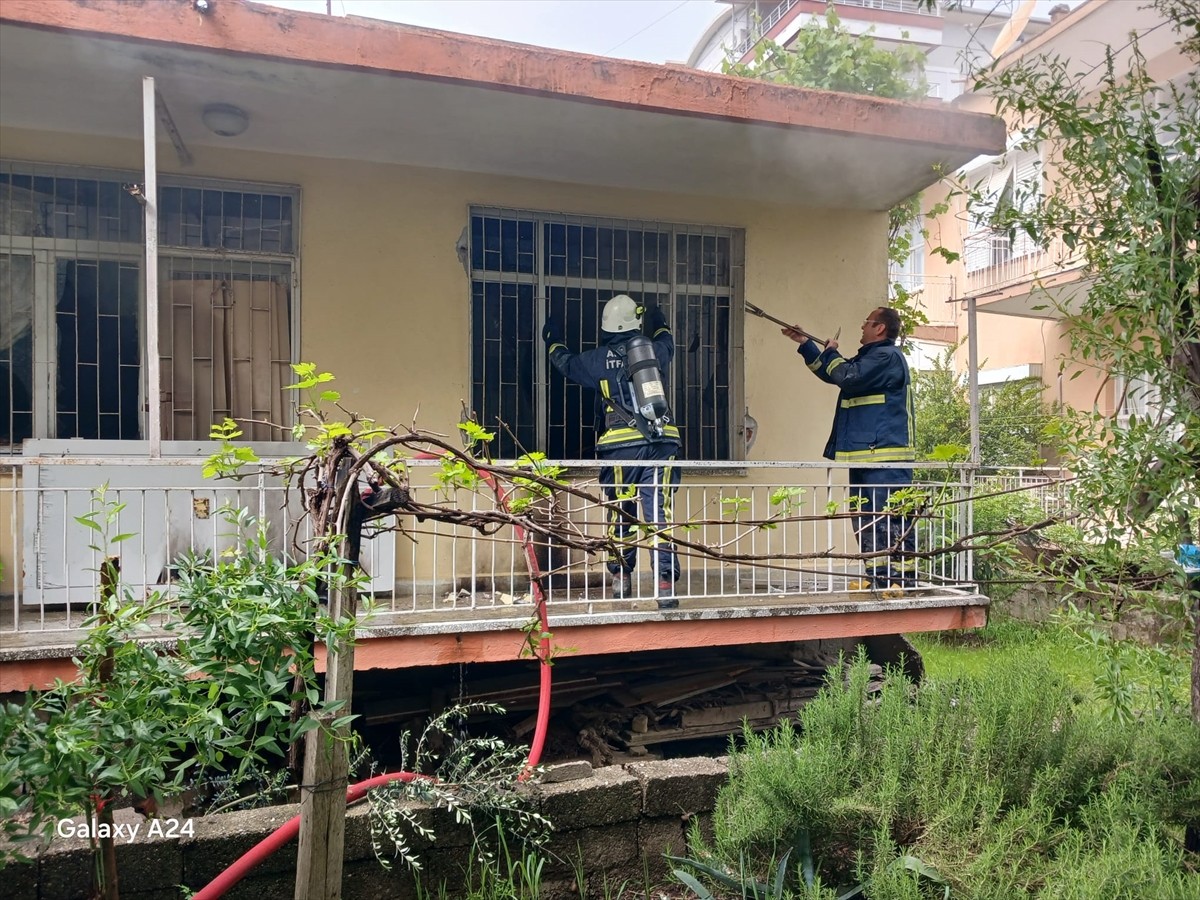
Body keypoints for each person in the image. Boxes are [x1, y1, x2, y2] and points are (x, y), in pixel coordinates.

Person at [542, 295, 683, 609]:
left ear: (606, 326)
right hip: (663, 443)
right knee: (660, 515)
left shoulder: (595, 360)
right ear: (634, 323)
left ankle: (621, 579)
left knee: (621, 514)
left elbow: (564, 362)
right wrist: (659, 319)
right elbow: (668, 341)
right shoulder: (653, 352)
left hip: (620, 449)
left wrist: (552, 336)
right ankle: (665, 585)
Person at [781, 306, 917, 590]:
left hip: (884, 459)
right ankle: (878, 579)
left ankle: (901, 582)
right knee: (866, 519)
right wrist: (806, 344)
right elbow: (837, 374)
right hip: (867, 455)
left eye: (866, 323)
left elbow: (846, 376)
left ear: (880, 328)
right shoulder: (871, 358)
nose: (861, 328)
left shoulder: (886, 356)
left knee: (889, 520)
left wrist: (830, 352)